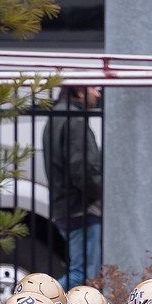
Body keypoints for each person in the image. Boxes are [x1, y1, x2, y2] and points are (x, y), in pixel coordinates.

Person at [43, 85, 103, 287]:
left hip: (66, 204)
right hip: (81, 207)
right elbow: (82, 168)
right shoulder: (75, 120)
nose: (97, 94)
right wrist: (98, 193)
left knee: (81, 272)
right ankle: (41, 302)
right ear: (78, 91)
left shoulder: (57, 116)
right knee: (84, 276)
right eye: (93, 88)